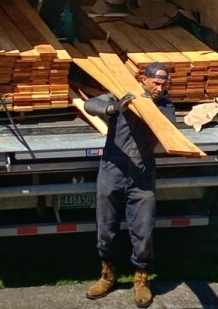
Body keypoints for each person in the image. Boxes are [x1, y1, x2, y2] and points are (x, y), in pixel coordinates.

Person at [84, 61, 175, 308]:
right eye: (155, 82)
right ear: (143, 79)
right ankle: (107, 275)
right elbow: (90, 104)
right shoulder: (121, 94)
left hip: (142, 175)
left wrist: (148, 106)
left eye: (164, 83)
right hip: (112, 170)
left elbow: (168, 129)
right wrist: (114, 108)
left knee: (143, 229)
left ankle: (141, 280)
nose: (159, 87)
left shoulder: (165, 106)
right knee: (106, 226)